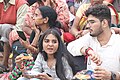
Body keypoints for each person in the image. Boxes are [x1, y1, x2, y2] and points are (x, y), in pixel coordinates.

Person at [67, 4, 120, 79]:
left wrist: (111, 75)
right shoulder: (90, 37)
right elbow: (70, 47)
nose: (88, 26)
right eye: (88, 22)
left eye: (92, 22)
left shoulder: (118, 42)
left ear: (104, 23)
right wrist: (87, 50)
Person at [0, 0, 29, 72]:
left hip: (15, 32)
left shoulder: (21, 4)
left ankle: (4, 63)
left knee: (5, 28)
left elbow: (20, 26)